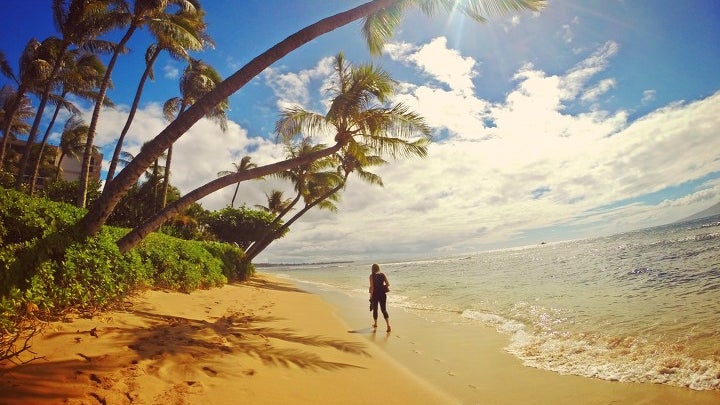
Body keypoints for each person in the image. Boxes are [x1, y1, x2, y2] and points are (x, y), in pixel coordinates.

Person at [368, 263, 391, 332]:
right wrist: (383, 287)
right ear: (378, 268)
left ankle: (375, 324)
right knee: (384, 310)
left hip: (375, 295)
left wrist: (371, 297)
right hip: (383, 294)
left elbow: (372, 287)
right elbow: (388, 284)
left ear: (372, 269)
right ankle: (388, 325)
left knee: (375, 310)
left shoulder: (371, 276)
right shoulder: (382, 274)